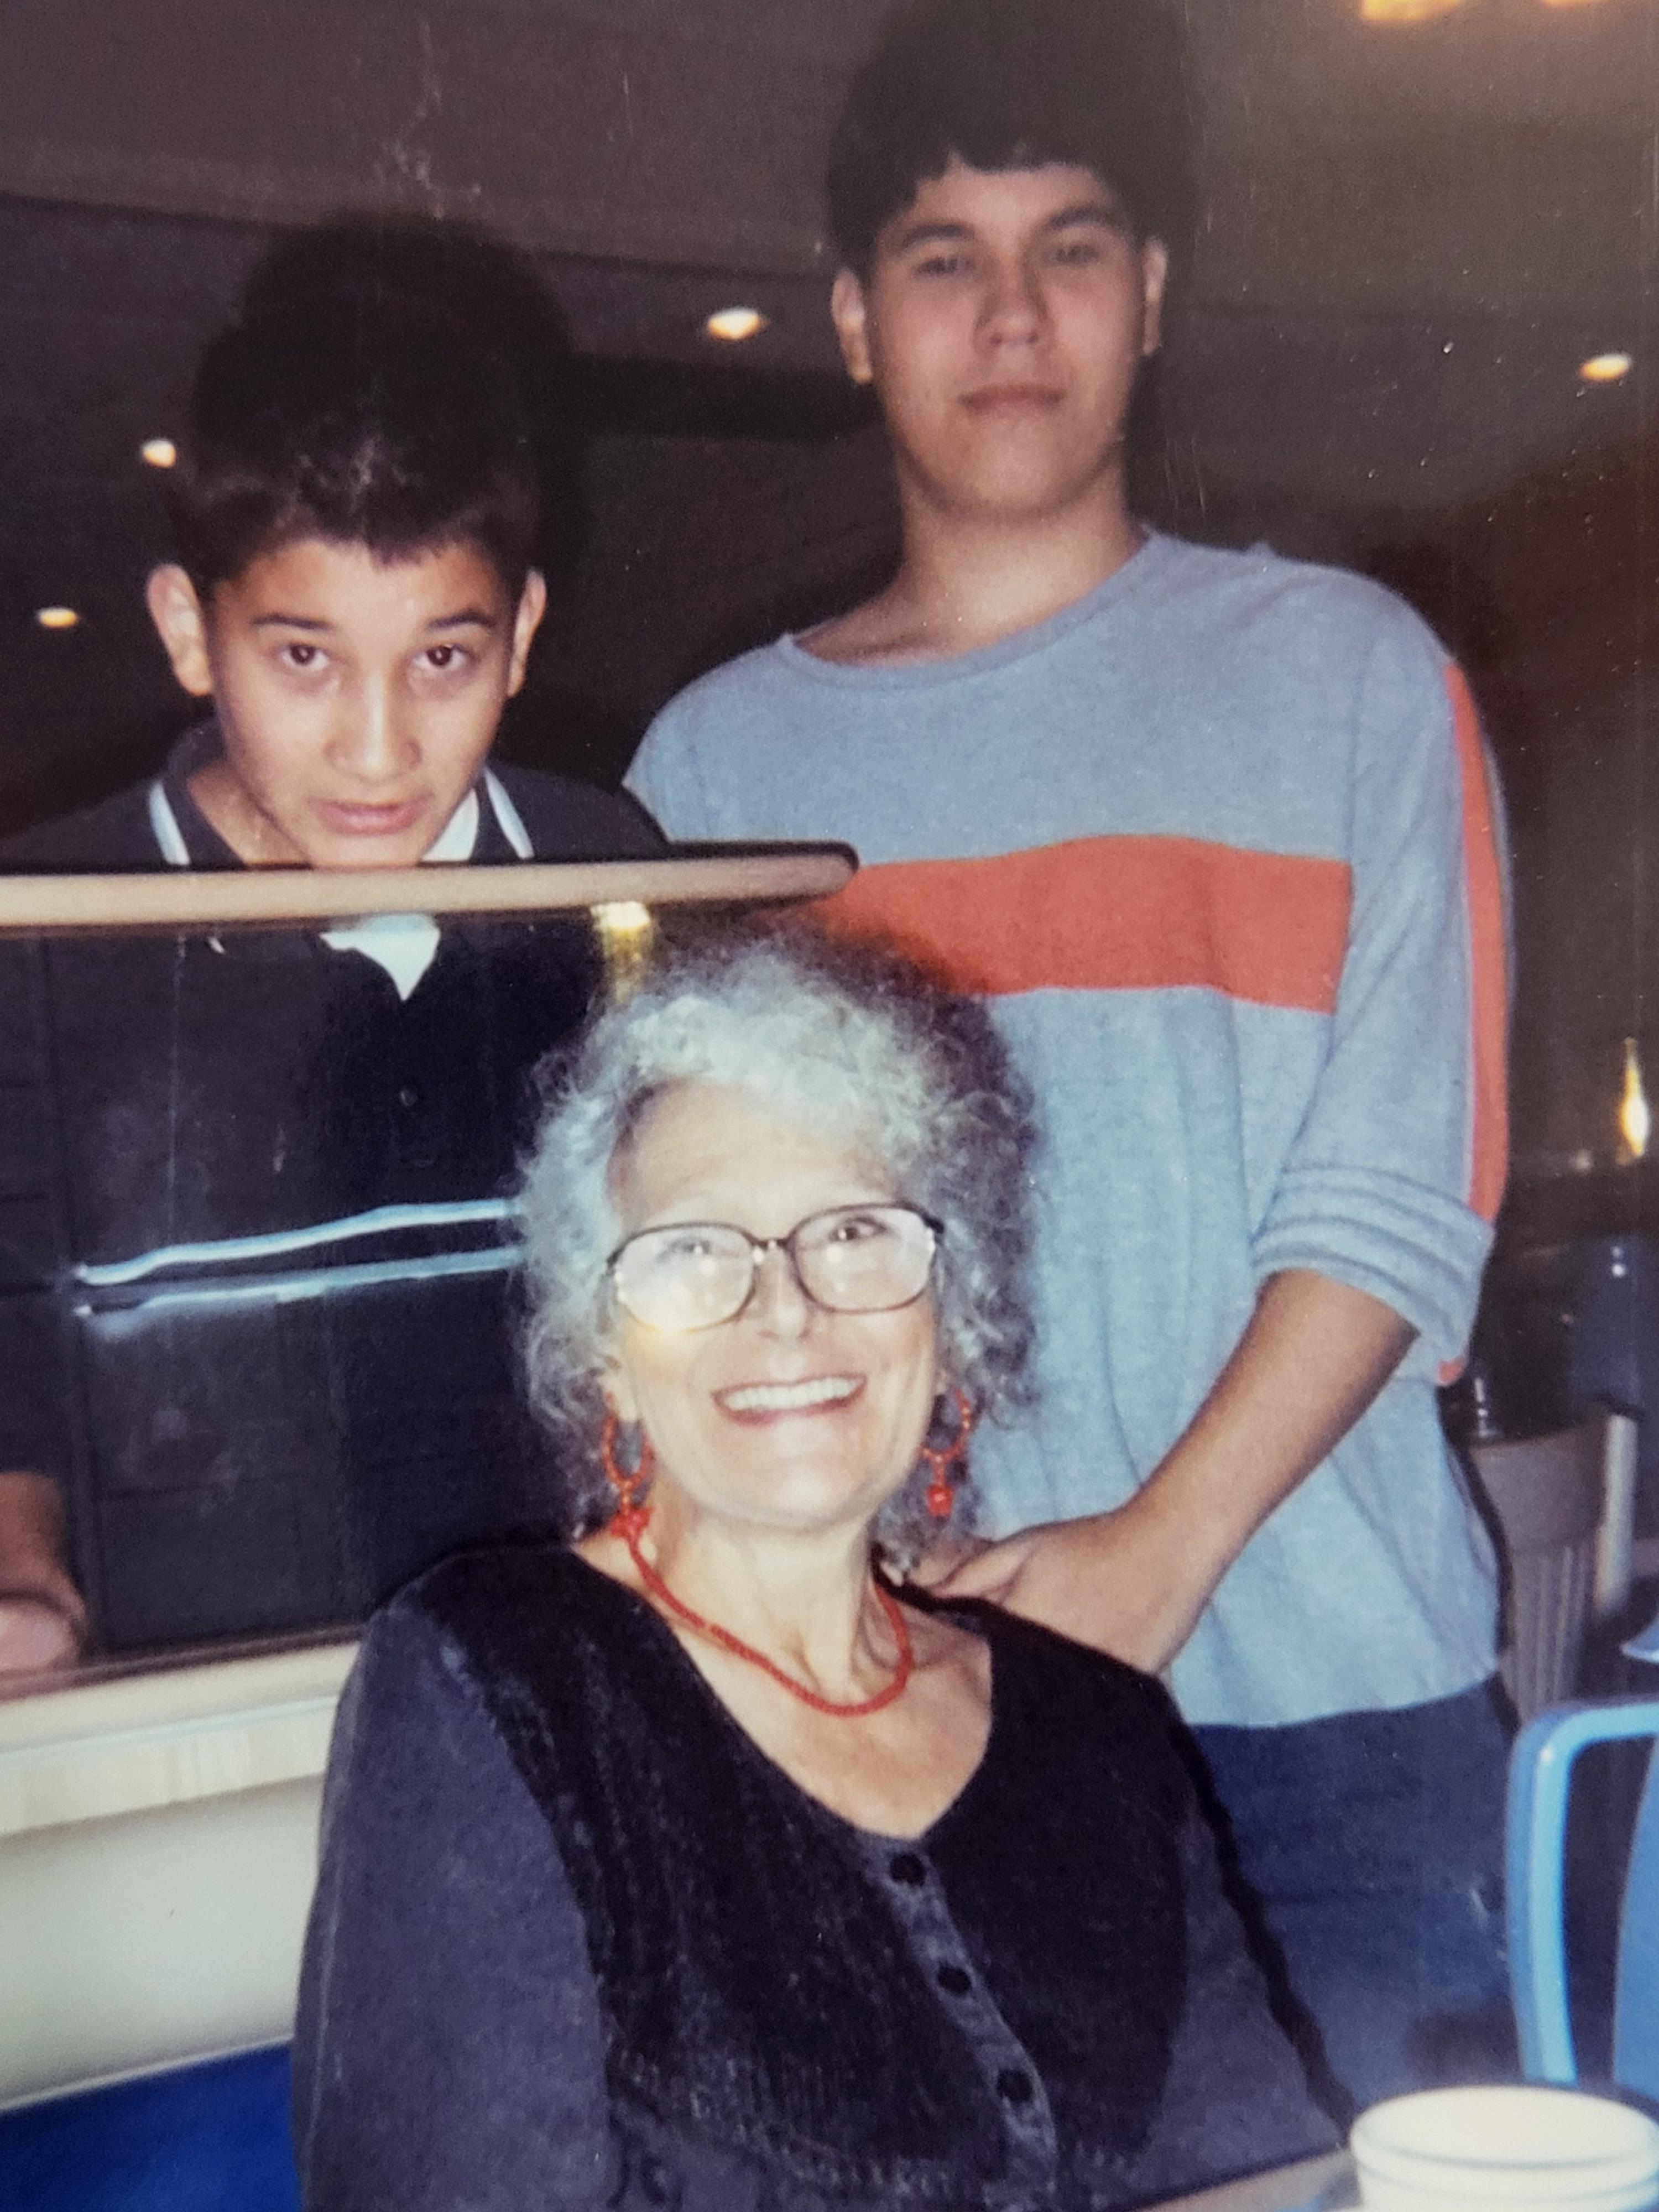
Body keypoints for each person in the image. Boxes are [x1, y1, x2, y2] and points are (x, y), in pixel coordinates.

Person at [624, 0, 1512, 2112]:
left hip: (1336, 1736)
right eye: (944, 257)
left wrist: (1143, 1564)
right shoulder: (712, 776)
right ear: (852, 318)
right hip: (888, 1735)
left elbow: (1403, 1196)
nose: (1011, 316)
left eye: (1073, 248)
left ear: (1154, 298)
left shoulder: (1356, 678)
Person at [294, 928, 1333, 2210]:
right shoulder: (493, 1681)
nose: (784, 1309)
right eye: (693, 1250)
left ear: (950, 1320)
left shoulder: (1101, 1729)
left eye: (851, 1232)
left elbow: (1271, 2183)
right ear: (606, 1351)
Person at [0, 227, 662, 1674]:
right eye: (305, 657)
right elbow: (10, 1339)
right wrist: (21, 1581)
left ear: (525, 630)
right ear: (192, 629)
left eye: (444, 656)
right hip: (197, 1708)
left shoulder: (596, 870)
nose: (380, 748)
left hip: (557, 1688)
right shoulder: (42, 921)